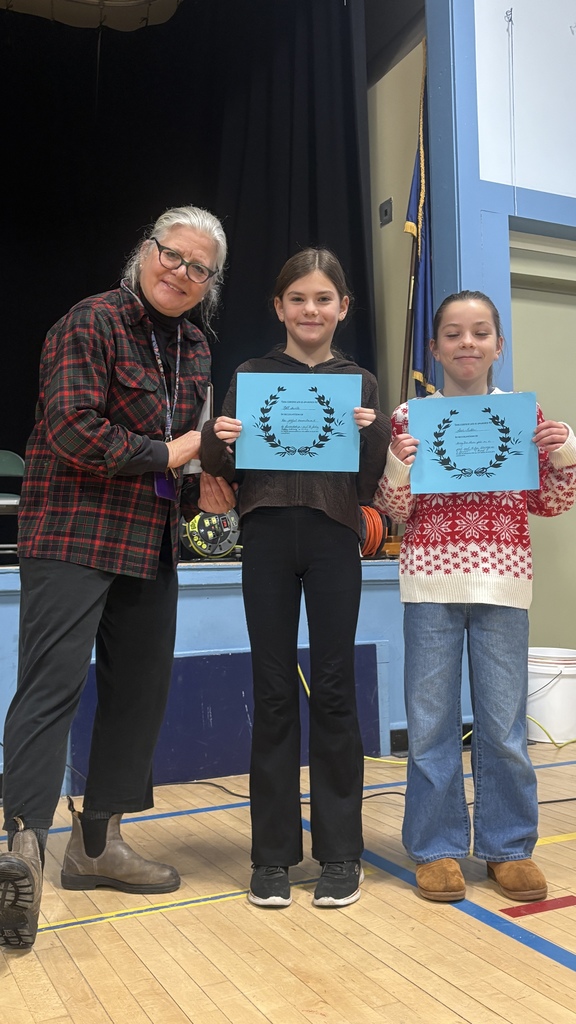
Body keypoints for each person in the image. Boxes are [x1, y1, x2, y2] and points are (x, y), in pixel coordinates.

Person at [0, 205, 236, 949]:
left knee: (140, 694)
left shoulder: (197, 344)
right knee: (51, 690)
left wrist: (211, 472)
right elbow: (73, 430)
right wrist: (177, 454)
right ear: (146, 249)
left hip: (150, 539)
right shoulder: (90, 322)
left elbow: (186, 445)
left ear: (210, 283)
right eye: (172, 255)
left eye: (199, 268)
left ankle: (96, 848)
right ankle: (19, 854)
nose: (181, 273)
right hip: (73, 529)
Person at [201, 248, 391, 908]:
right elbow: (223, 467)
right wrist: (219, 437)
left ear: (344, 308)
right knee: (275, 689)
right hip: (268, 537)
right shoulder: (251, 375)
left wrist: (373, 432)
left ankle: (341, 853)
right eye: (298, 299)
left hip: (337, 539)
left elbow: (370, 481)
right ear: (279, 307)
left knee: (336, 689)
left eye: (324, 299)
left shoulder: (361, 384)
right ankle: (272, 856)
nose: (311, 310)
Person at [373, 289, 576, 903]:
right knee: (431, 722)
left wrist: (561, 452)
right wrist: (398, 465)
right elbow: (396, 512)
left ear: (498, 346)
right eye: (454, 333)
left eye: (480, 332)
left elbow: (551, 502)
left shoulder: (525, 415)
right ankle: (435, 848)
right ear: (433, 348)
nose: (468, 343)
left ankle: (508, 846)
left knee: (504, 724)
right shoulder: (409, 417)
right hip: (430, 582)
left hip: (504, 582)